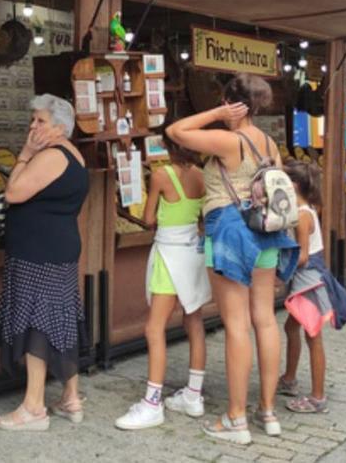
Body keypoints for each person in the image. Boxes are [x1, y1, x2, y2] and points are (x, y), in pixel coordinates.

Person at [167, 73, 297, 445]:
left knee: (236, 324)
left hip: (229, 230)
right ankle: (268, 412)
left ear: (231, 101)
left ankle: (236, 418)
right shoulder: (268, 142)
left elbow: (177, 131)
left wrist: (215, 112)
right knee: (265, 321)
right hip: (267, 233)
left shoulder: (227, 140)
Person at [0, 94, 90, 432]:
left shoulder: (50, 156)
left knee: (38, 324)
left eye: (40, 121)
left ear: (60, 128)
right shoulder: (74, 154)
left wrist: (24, 155)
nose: (33, 127)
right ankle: (71, 398)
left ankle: (33, 408)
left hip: (39, 252)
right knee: (61, 319)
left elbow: (14, 193)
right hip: (57, 248)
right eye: (32, 120)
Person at [115, 135, 210, 431]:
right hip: (193, 251)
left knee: (154, 328)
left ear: (169, 148)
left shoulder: (160, 175)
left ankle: (152, 402)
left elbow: (148, 217)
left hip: (169, 254)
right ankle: (193, 395)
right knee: (193, 321)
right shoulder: (202, 176)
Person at [279, 161, 330, 415]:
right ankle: (289, 378)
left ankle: (318, 396)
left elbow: (302, 256)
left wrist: (279, 266)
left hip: (308, 280)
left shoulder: (301, 215)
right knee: (291, 327)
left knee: (313, 335)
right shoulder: (305, 208)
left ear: (294, 185)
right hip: (306, 279)